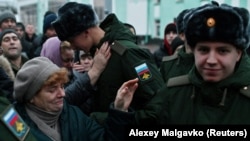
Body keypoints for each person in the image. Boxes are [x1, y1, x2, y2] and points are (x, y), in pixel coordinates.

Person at [52, 2, 165, 125]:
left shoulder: (127, 53)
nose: (73, 48)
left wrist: (101, 119)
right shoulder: (99, 54)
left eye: (72, 41)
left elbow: (158, 108)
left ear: (86, 32)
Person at [156, 3, 250, 124]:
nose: (211, 61)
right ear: (194, 51)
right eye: (204, 50)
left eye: (222, 51)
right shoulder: (174, 94)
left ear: (238, 54)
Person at [13, 56, 138, 140]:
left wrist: (119, 110)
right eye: (52, 90)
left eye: (62, 86)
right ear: (31, 97)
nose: (62, 94)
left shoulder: (73, 115)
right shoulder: (13, 124)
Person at [41, 36, 110, 115]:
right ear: (53, 57)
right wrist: (95, 70)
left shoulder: (75, 76)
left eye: (72, 60)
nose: (71, 64)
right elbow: (65, 99)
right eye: (66, 60)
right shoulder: (40, 81)